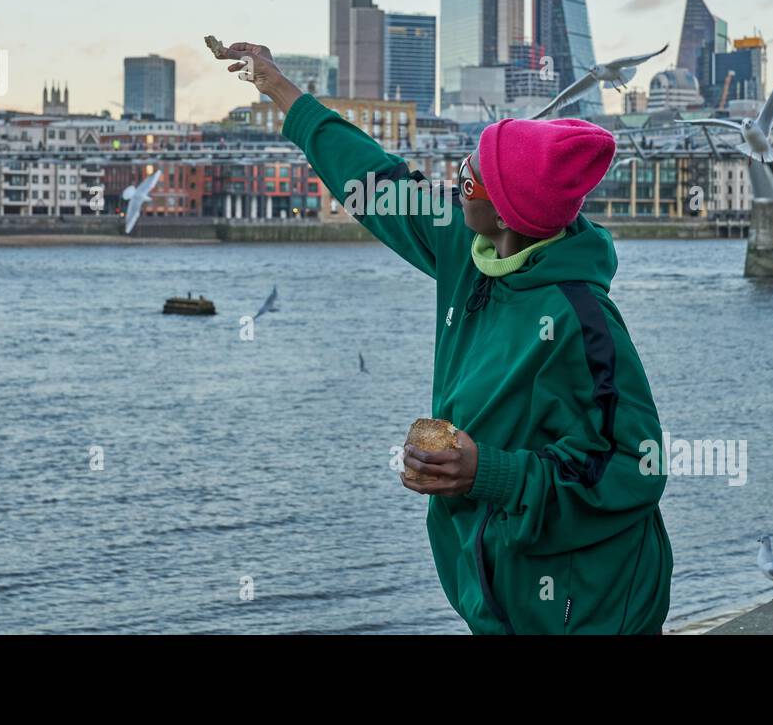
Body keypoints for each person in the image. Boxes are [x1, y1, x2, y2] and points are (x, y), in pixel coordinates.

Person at [222, 42, 672, 634]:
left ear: (509, 212)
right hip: (503, 593)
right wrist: (280, 89)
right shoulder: (470, 252)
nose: (455, 180)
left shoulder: (581, 320)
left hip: (591, 606)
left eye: (469, 179)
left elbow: (637, 466)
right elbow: (376, 183)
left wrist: (489, 472)